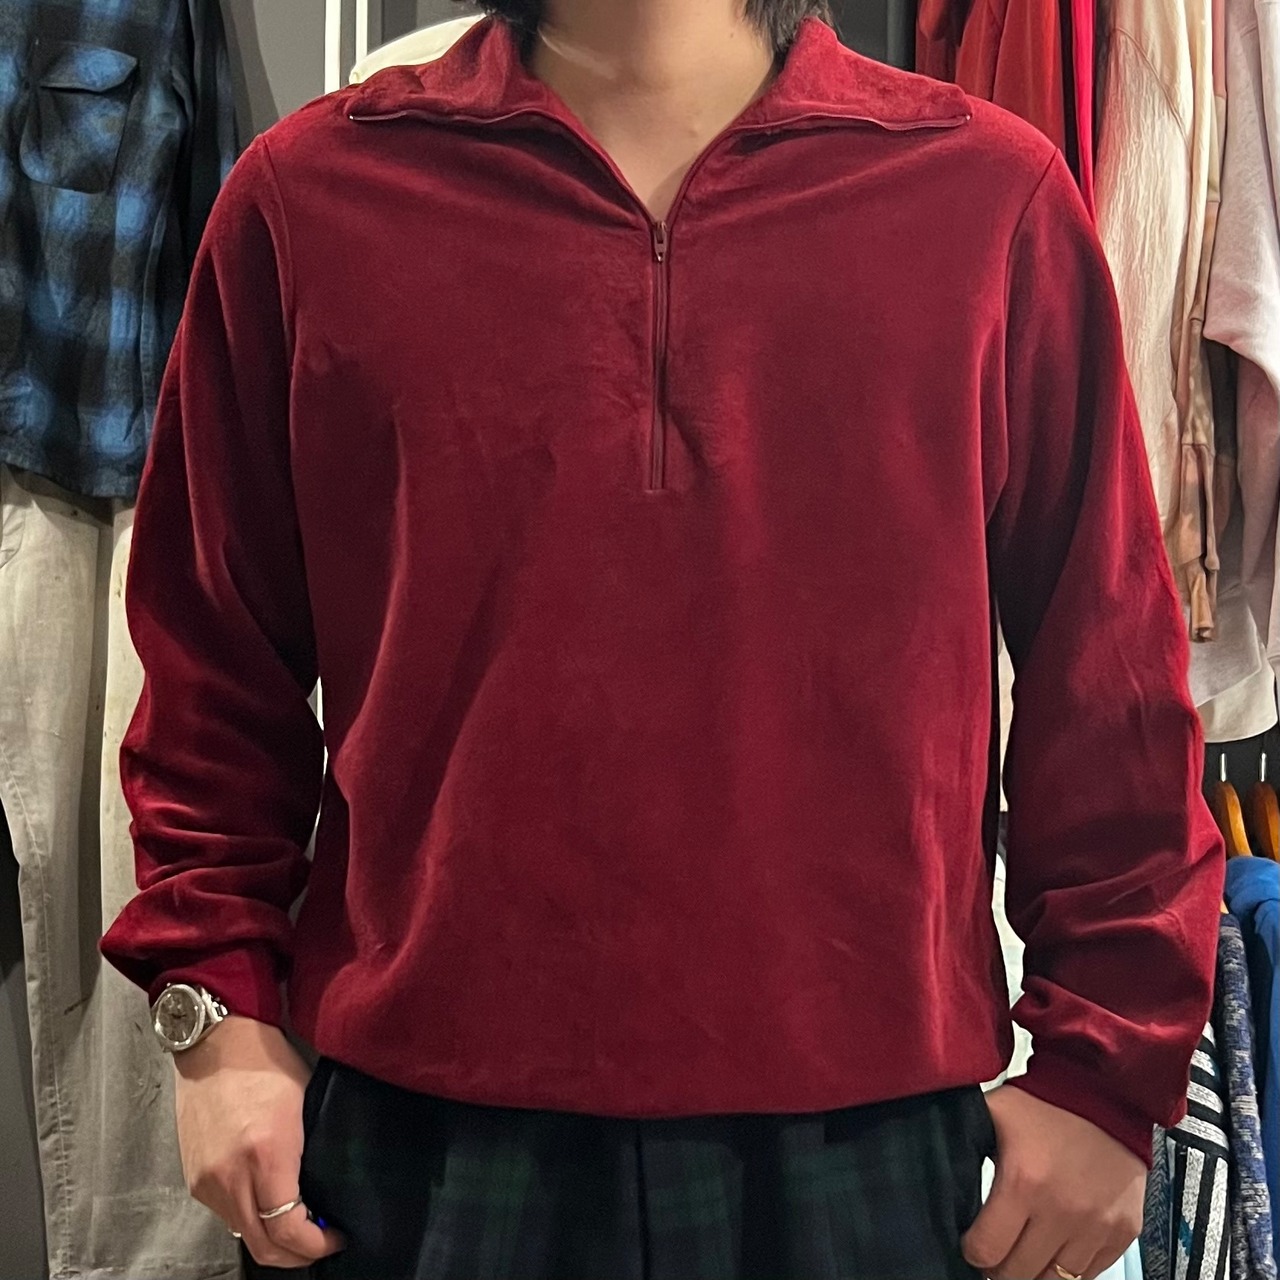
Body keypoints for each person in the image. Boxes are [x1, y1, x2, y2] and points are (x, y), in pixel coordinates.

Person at [99, 0, 1225, 1277]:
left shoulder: (984, 199)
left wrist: (1105, 1069)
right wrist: (215, 1016)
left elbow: (1106, 673)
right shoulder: (308, 200)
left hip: (862, 1139)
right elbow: (210, 661)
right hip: (417, 1140)